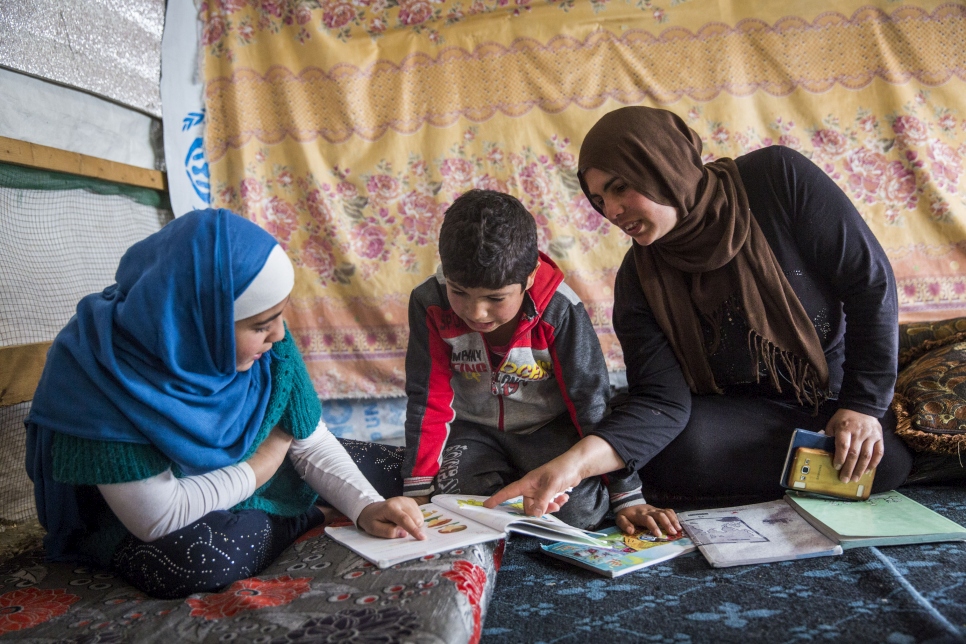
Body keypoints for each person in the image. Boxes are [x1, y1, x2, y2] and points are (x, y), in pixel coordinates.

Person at [485, 106, 914, 517]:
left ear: (663, 166)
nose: (610, 212)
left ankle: (812, 465)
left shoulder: (779, 179)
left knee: (886, 457)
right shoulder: (639, 279)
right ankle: (815, 476)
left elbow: (869, 282)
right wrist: (572, 467)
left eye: (620, 187)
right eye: (598, 199)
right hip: (736, 415)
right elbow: (661, 402)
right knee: (666, 451)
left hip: (832, 395)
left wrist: (863, 406)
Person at [25, 208, 424, 599]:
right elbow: (158, 517)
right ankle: (305, 517)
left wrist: (367, 506)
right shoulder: (98, 379)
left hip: (249, 475)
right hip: (140, 518)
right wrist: (263, 464)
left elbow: (309, 442)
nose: (279, 335)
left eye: (279, 316)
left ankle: (300, 506)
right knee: (199, 561)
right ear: (197, 322)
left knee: (412, 471)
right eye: (260, 324)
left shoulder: (271, 350)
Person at [401, 189, 678, 536]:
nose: (475, 312)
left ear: (529, 276)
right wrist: (418, 493)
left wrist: (626, 494)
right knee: (454, 504)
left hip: (550, 430)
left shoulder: (559, 309)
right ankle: (501, 484)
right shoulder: (428, 302)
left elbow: (589, 399)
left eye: (495, 298)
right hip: (474, 432)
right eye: (459, 292)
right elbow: (428, 398)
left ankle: (526, 485)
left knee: (580, 514)